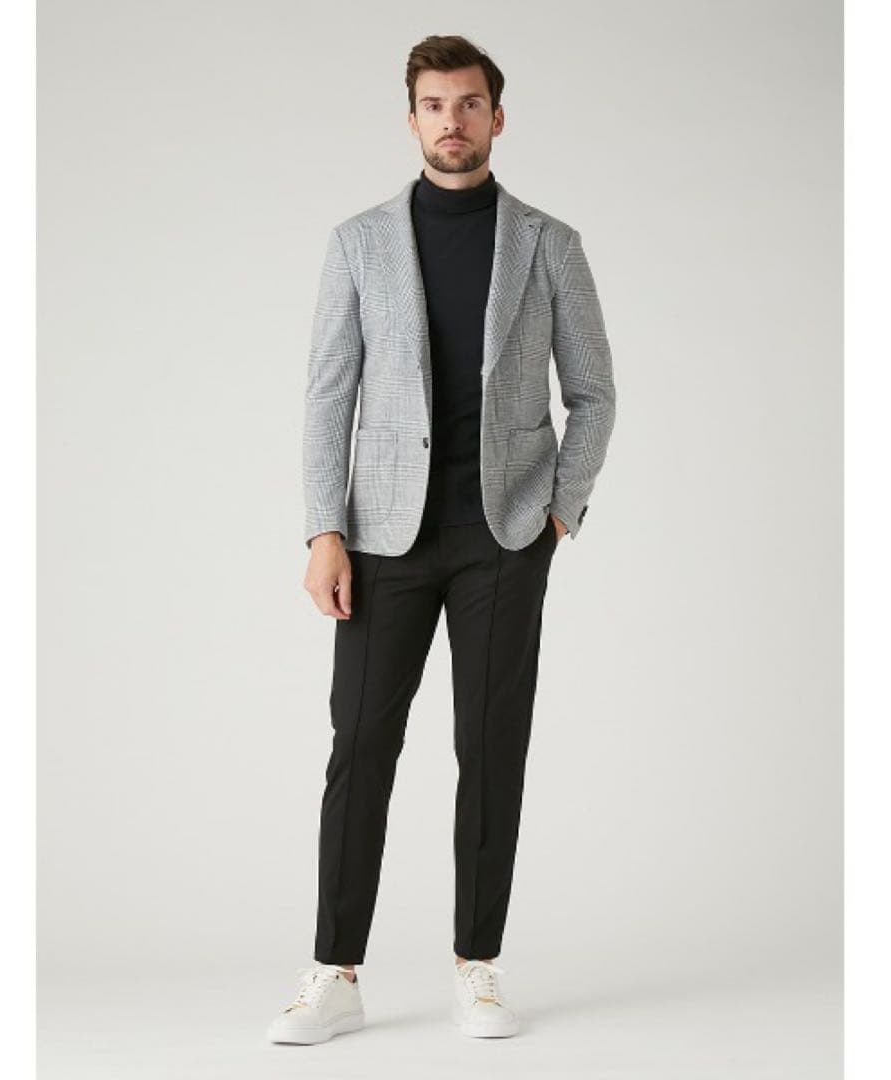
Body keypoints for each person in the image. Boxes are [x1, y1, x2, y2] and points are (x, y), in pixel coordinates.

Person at [268, 32, 616, 1045]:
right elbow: (327, 394)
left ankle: (478, 965)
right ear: (411, 118)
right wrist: (323, 529)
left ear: (496, 118)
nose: (451, 121)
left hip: (504, 537)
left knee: (491, 748)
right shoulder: (358, 242)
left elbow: (593, 393)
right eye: (433, 104)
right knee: (360, 745)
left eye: (468, 104)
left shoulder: (549, 245)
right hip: (382, 538)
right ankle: (335, 972)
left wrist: (559, 511)